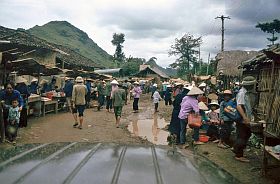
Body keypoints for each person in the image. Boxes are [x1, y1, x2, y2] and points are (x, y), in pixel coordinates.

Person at [233, 76, 256, 162]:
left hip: (244, 118)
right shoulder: (242, 93)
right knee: (242, 136)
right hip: (242, 119)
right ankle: (239, 155)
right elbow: (239, 106)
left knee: (246, 134)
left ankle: (236, 149)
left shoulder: (246, 92)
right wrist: (245, 117)